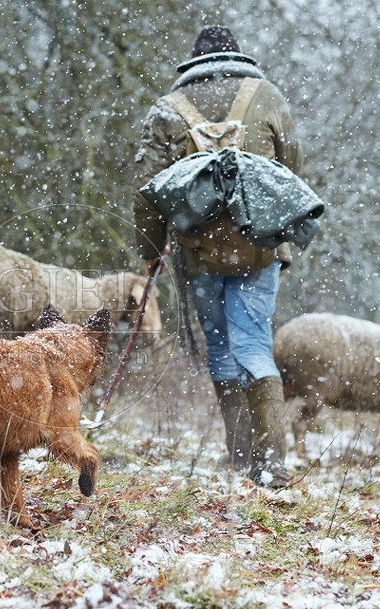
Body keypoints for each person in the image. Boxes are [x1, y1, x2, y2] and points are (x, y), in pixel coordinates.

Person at [132, 25, 303, 488]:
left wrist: (151, 251)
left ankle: (240, 457)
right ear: (239, 56)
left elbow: (146, 191)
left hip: (198, 250)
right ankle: (271, 464)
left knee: (221, 346)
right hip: (258, 246)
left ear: (194, 61)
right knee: (253, 343)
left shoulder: (168, 108)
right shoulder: (268, 97)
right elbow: (292, 168)